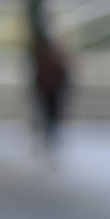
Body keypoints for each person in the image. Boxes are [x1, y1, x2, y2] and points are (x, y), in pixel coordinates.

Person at [31, 27, 71, 155]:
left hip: (52, 90)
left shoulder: (51, 58)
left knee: (51, 115)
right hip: (48, 90)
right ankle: (49, 136)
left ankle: (50, 137)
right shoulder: (45, 58)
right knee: (49, 114)